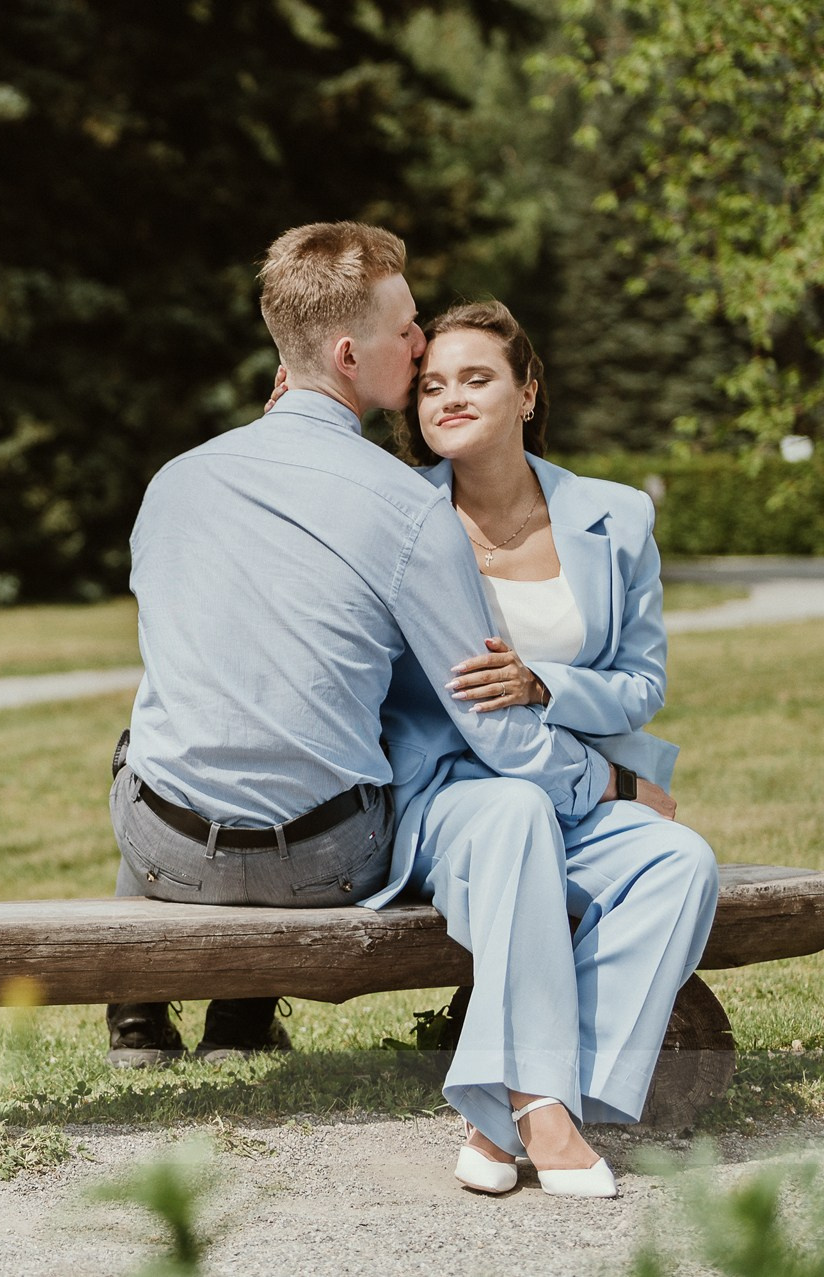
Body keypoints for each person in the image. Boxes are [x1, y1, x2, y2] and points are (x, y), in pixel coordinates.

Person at [108, 221, 630, 1069]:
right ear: (350, 355)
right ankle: (240, 1021)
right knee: (350, 760)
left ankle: (139, 1013)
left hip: (165, 850)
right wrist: (607, 779)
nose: (423, 344)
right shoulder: (410, 506)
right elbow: (487, 716)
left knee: (164, 732)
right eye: (408, 328)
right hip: (327, 863)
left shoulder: (174, 482)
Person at [391, 300, 715, 1196]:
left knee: (682, 863)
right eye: (431, 384)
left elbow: (643, 683)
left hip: (575, 794)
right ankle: (541, 1109)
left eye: (477, 377)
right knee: (517, 807)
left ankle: (514, 1111)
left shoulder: (614, 517)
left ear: (529, 391)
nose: (449, 396)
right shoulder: (398, 519)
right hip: (454, 797)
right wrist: (615, 782)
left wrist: (546, 683)